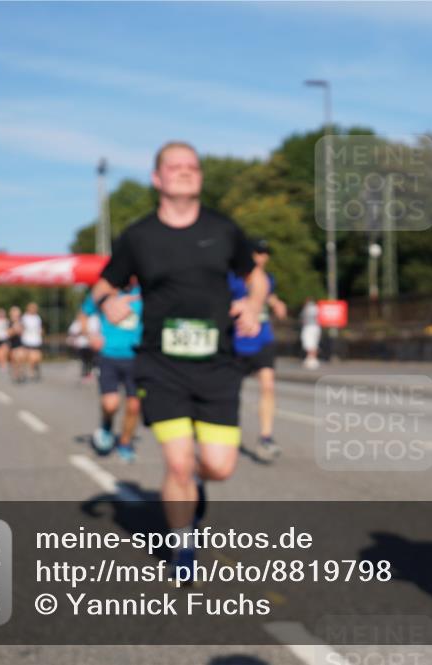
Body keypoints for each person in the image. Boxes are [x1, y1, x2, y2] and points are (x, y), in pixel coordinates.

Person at [91, 140, 267, 580]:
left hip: (217, 364)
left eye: (193, 167)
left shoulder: (224, 230)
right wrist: (108, 301)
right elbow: (101, 286)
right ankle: (182, 543)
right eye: (175, 167)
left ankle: (197, 486)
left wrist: (254, 305)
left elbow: (255, 276)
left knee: (220, 466)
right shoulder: (139, 236)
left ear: (201, 177)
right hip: (160, 363)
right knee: (176, 462)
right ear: (158, 178)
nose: (185, 172)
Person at [229, 238, 288, 462]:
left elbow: (267, 294)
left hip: (262, 339)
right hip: (235, 341)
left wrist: (276, 303)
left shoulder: (268, 279)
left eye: (265, 253)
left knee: (268, 386)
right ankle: (228, 434)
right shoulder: (233, 277)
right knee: (232, 393)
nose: (261, 257)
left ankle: (266, 436)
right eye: (257, 252)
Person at [83, 280, 143, 462]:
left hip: (136, 357)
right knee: (111, 404)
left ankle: (125, 443)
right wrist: (91, 335)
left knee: (134, 406)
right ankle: (107, 426)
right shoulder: (104, 290)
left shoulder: (144, 291)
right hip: (108, 355)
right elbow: (83, 315)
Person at [67, 310, 97, 384]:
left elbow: (94, 331)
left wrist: (85, 331)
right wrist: (82, 331)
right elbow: (72, 331)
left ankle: (88, 373)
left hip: (90, 344)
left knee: (90, 360)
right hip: (81, 345)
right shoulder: (76, 323)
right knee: (84, 360)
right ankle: (84, 374)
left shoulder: (92, 321)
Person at [20, 302, 43, 381]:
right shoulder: (25, 317)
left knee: (36, 357)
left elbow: (39, 328)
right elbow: (21, 328)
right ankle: (30, 371)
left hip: (36, 340)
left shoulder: (37, 317)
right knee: (29, 357)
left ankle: (33, 368)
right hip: (27, 340)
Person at [300, 297, 321, 369]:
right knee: (314, 343)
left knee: (309, 343)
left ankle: (311, 359)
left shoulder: (307, 308)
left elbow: (302, 318)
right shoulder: (317, 308)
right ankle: (312, 359)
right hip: (316, 327)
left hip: (308, 327)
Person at [7, 306, 26, 383]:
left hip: (19, 343)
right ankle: (15, 373)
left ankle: (19, 371)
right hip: (11, 344)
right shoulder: (9, 323)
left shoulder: (21, 322)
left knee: (20, 357)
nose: (16, 316)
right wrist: (14, 329)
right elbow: (8, 333)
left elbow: (22, 332)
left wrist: (18, 328)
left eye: (18, 315)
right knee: (14, 360)